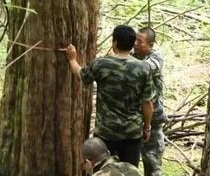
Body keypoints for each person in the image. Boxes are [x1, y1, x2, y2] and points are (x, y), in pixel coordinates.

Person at [66, 25, 154, 167]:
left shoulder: (101, 64)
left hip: (106, 132)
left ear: (114, 42)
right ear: (133, 44)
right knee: (130, 174)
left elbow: (81, 75)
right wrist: (147, 127)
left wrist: (72, 59)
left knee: (102, 172)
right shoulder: (143, 68)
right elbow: (147, 102)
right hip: (132, 132)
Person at [133, 27, 166, 176]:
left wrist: (120, 61)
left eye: (140, 42)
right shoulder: (131, 57)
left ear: (150, 45)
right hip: (132, 117)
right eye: (135, 40)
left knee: (151, 158)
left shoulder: (155, 58)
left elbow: (145, 68)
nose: (136, 44)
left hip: (153, 118)